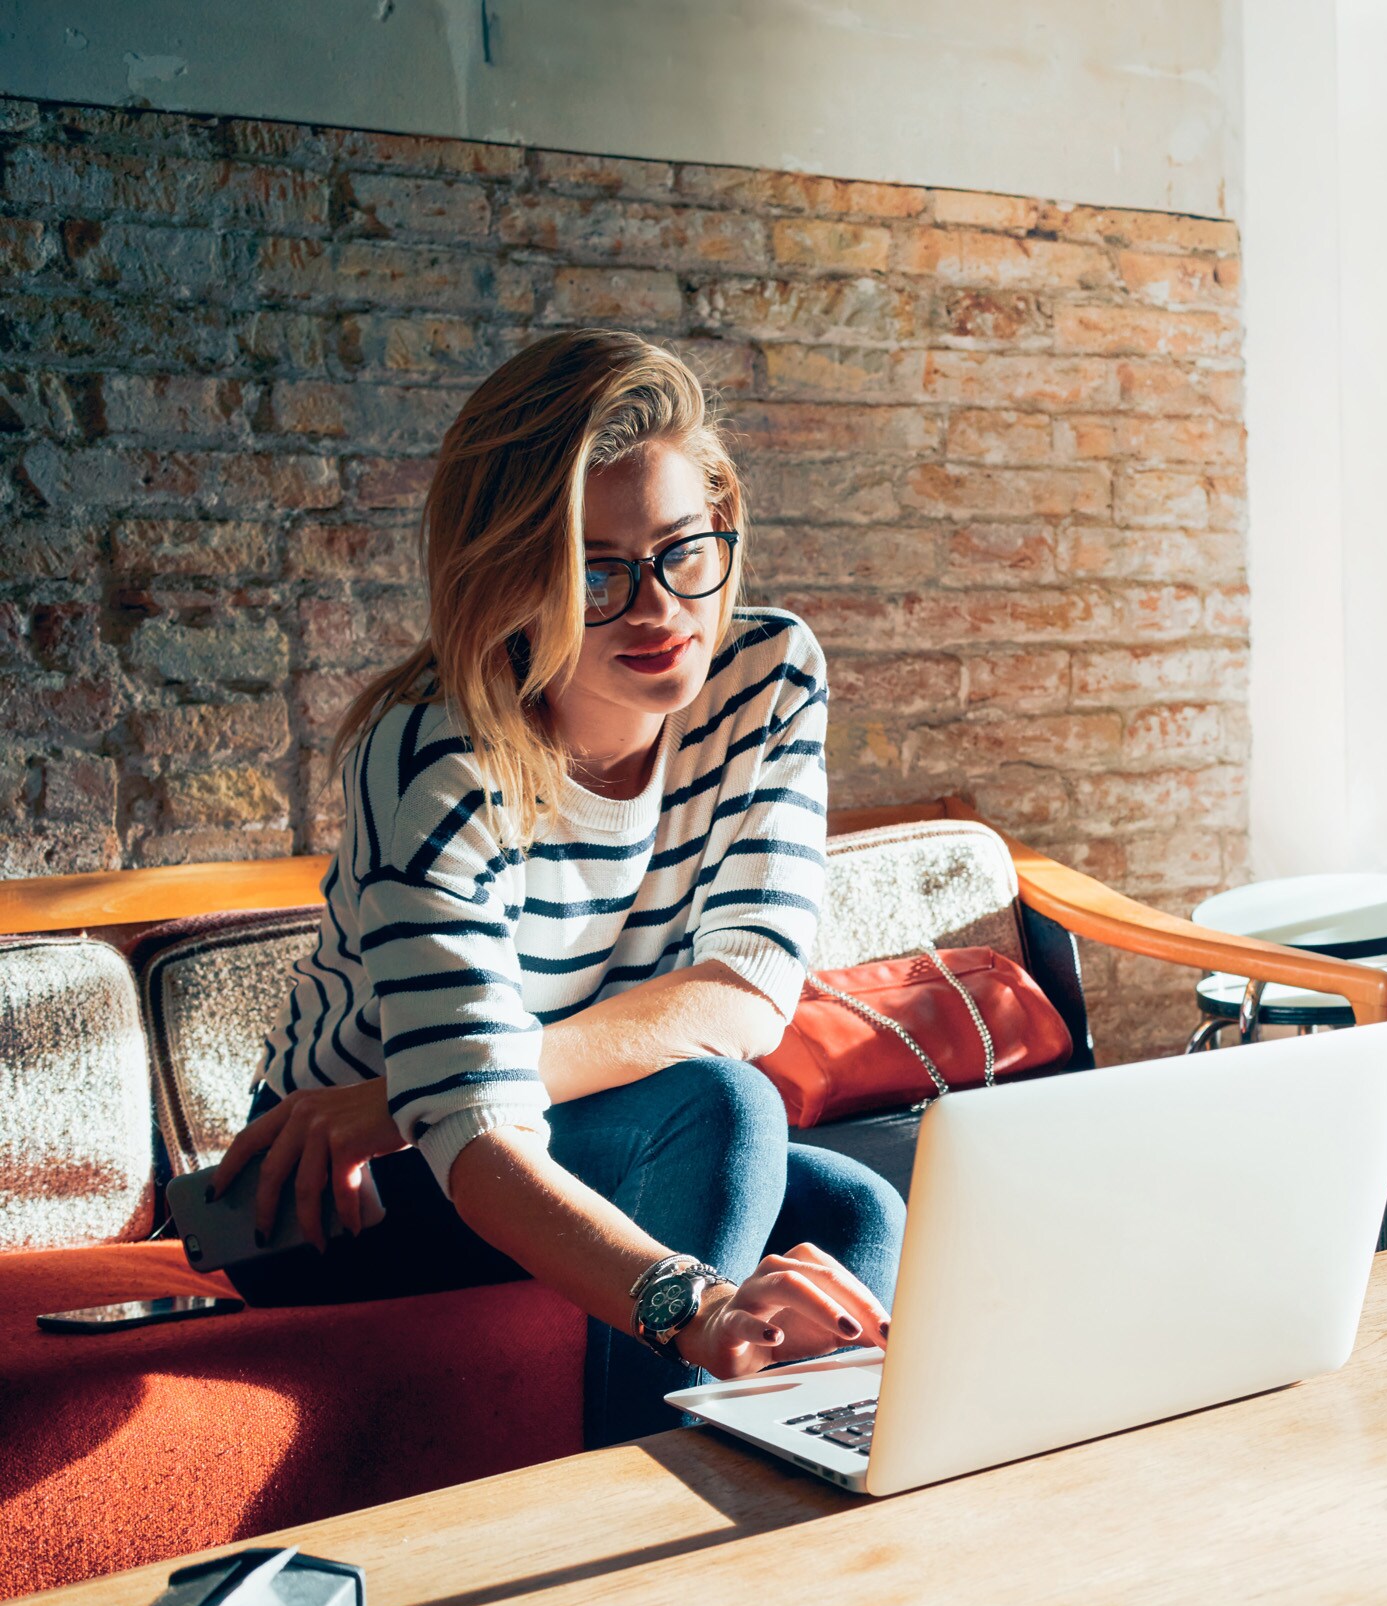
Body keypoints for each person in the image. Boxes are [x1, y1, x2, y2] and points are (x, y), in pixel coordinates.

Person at [212, 328, 904, 1446]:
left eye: (682, 550)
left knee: (854, 1208)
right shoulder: (434, 759)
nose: (658, 608)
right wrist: (699, 1309)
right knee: (726, 1107)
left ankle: (810, 1505)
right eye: (595, 571)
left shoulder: (764, 680)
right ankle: (637, 1521)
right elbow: (477, 1135)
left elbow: (747, 990)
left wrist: (412, 1090)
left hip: (456, 1113)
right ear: (513, 579)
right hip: (330, 1186)